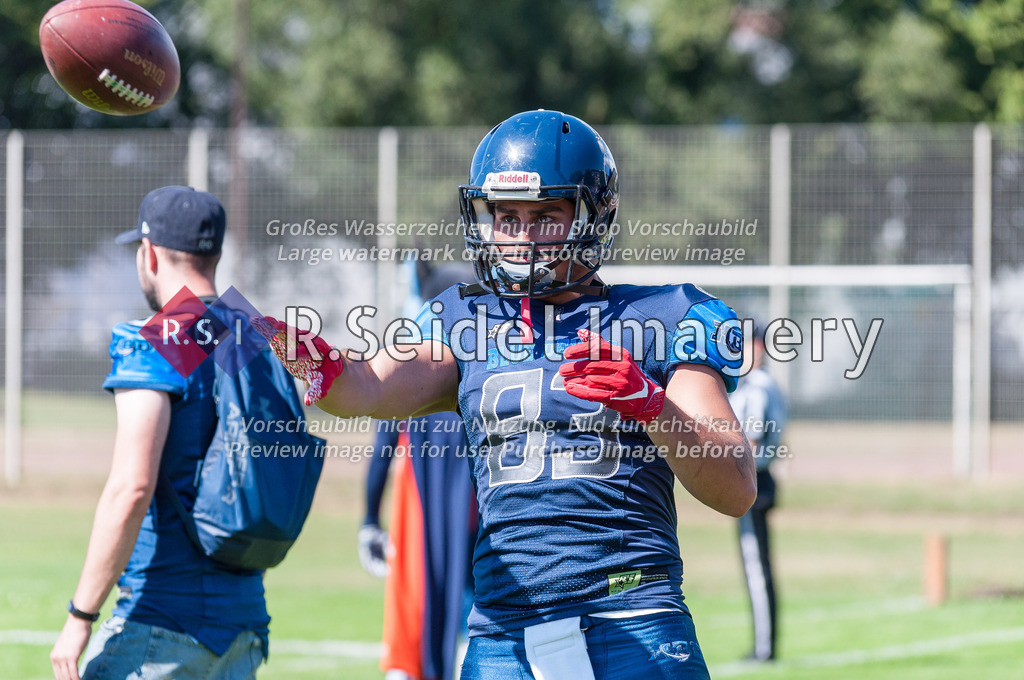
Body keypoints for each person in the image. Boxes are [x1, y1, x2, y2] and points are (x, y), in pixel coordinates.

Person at [263, 110, 756, 679]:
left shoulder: (666, 316)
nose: (522, 237)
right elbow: (367, 387)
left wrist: (650, 403)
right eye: (507, 216)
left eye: (545, 215)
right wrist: (292, 349)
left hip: (632, 617)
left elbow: (736, 486)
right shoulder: (463, 317)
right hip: (504, 634)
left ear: (595, 215)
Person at [50, 186, 269, 680]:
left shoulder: (158, 341)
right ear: (215, 253)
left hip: (163, 627)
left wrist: (80, 616)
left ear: (148, 254)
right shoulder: (249, 334)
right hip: (243, 628)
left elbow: (132, 486)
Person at [359, 261, 477, 680]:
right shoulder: (488, 370)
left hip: (425, 513)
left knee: (420, 610)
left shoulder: (414, 368)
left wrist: (370, 520)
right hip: (491, 516)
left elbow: (382, 449)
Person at [729, 322, 788, 662]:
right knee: (757, 564)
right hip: (760, 479)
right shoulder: (765, 385)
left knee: (756, 567)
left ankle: (764, 648)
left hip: (752, 480)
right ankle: (765, 645)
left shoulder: (757, 387)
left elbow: (750, 442)